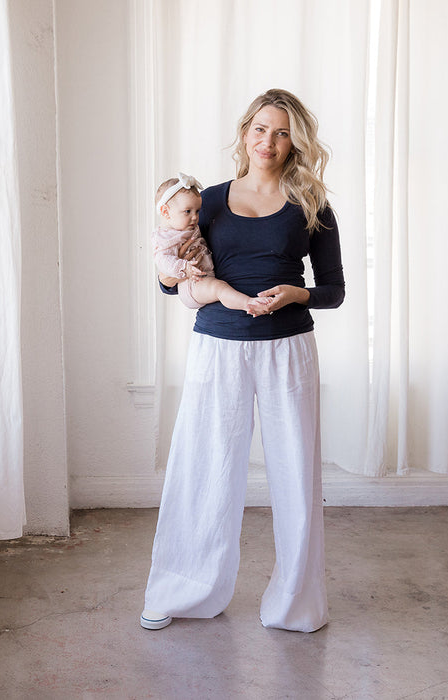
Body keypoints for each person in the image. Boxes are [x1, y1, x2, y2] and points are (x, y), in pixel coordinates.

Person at [140, 89, 345, 633]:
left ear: (294, 141)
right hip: (218, 346)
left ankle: (296, 603)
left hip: (288, 349)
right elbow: (170, 281)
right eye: (259, 129)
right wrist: (212, 289)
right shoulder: (204, 201)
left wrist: (295, 294)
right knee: (204, 469)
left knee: (296, 476)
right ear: (244, 133)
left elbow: (334, 290)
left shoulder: (313, 205)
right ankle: (183, 589)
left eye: (281, 132)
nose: (268, 142)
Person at [152, 173, 250, 310]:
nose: (195, 217)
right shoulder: (165, 237)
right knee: (219, 289)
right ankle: (248, 304)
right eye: (187, 211)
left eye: (197, 211)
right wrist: (184, 268)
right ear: (166, 212)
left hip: (203, 278)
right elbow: (162, 260)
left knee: (220, 287)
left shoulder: (186, 228)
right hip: (193, 284)